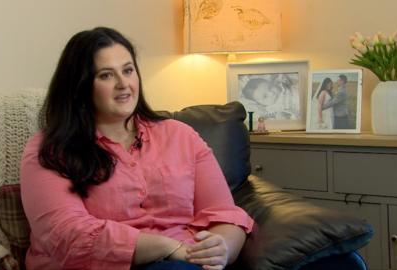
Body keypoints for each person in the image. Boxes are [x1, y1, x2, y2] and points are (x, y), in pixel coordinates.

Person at [20, 27, 253, 270]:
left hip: (187, 261)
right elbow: (65, 235)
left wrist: (222, 249)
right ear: (79, 86)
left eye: (128, 70)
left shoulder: (180, 135)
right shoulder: (51, 148)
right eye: (106, 75)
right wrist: (167, 247)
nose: (123, 84)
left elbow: (224, 213)